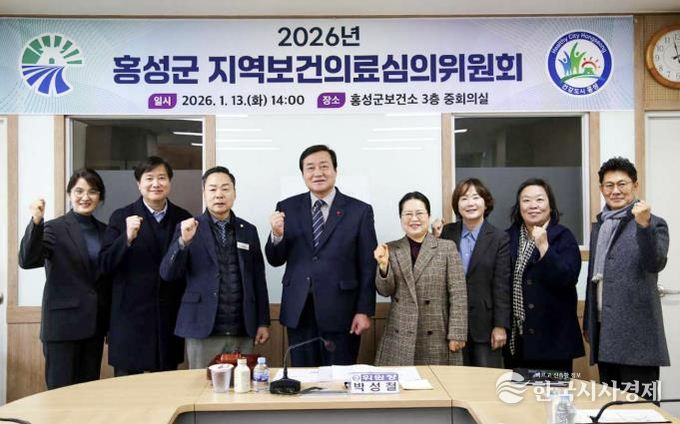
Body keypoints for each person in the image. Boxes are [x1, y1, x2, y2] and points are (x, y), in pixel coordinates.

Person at [265, 145, 377, 367]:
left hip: (342, 312)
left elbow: (368, 265)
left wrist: (364, 310)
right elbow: (275, 259)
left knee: (339, 378)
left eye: (324, 166)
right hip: (299, 310)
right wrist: (277, 235)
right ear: (303, 174)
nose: (317, 173)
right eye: (310, 168)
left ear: (335, 170)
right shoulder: (287, 207)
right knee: (303, 377)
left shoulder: (359, 211)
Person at [160, 166, 271, 369]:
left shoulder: (248, 230)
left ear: (234, 193)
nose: (219, 194)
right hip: (202, 327)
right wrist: (183, 242)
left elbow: (258, 278)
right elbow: (168, 273)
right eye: (212, 189)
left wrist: (263, 321)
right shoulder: (189, 227)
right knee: (203, 384)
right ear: (204, 193)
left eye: (225, 188)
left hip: (242, 328)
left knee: (242, 384)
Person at [584, 157, 669, 400]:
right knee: (611, 406)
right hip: (605, 331)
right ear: (601, 189)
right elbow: (594, 279)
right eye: (609, 185)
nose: (616, 191)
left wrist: (644, 226)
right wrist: (589, 321)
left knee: (642, 408)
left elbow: (655, 263)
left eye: (622, 184)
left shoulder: (654, 223)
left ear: (635, 185)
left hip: (638, 336)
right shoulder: (600, 226)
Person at [100, 156, 192, 376]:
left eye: (162, 178)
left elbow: (189, 269)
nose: (156, 184)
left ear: (170, 182)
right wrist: (126, 238)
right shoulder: (121, 217)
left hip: (168, 319)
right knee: (127, 390)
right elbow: (105, 264)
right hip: (129, 320)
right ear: (138, 184)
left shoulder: (183, 218)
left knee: (166, 387)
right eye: (149, 178)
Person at [18, 168, 109, 389]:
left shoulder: (105, 231)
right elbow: (28, 260)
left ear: (100, 197)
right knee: (60, 394)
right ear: (69, 194)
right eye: (79, 191)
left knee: (88, 392)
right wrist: (36, 221)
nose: (85, 197)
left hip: (94, 326)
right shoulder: (54, 228)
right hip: (62, 327)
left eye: (92, 191)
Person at [374, 192, 467, 366]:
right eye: (408, 214)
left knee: (437, 381)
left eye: (419, 213)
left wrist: (457, 334)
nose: (414, 219)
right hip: (399, 336)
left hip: (437, 334)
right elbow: (385, 291)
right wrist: (383, 266)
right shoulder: (391, 249)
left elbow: (459, 295)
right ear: (401, 218)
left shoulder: (446, 248)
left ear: (428, 216)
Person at [506, 178, 584, 374]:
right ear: (519, 206)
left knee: (552, 393)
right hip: (518, 339)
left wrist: (544, 247)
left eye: (539, 199)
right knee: (518, 393)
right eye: (526, 200)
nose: (533, 205)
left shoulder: (563, 236)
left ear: (550, 205)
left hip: (553, 341)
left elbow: (567, 278)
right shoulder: (509, 236)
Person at [439, 179, 511, 368]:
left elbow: (502, 285)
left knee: (486, 380)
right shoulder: (447, 233)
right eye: (464, 198)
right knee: (455, 380)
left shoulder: (499, 238)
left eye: (475, 197)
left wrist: (500, 326)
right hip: (452, 324)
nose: (470, 203)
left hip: (486, 325)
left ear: (485, 203)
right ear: (457, 205)